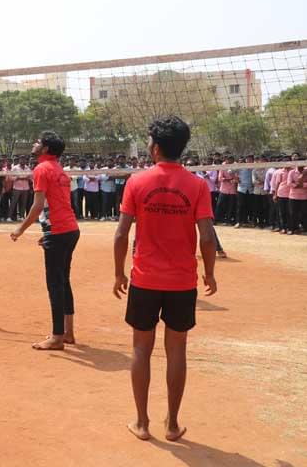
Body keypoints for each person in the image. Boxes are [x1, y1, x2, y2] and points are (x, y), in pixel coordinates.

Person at [112, 116, 217, 442]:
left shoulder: (137, 182)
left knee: (141, 349)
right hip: (182, 282)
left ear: (155, 147)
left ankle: (142, 423)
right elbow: (208, 237)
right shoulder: (197, 185)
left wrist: (118, 272)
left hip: (145, 279)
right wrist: (210, 272)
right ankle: (172, 424)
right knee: (177, 351)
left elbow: (121, 234)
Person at [10, 131, 80, 351]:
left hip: (59, 230)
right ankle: (68, 332)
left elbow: (38, 205)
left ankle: (57, 337)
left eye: (38, 142)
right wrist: (48, 231)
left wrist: (20, 229)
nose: (34, 144)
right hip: (69, 229)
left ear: (46, 149)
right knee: (64, 281)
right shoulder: (59, 169)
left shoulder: (42, 169)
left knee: (55, 284)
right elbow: (58, 204)